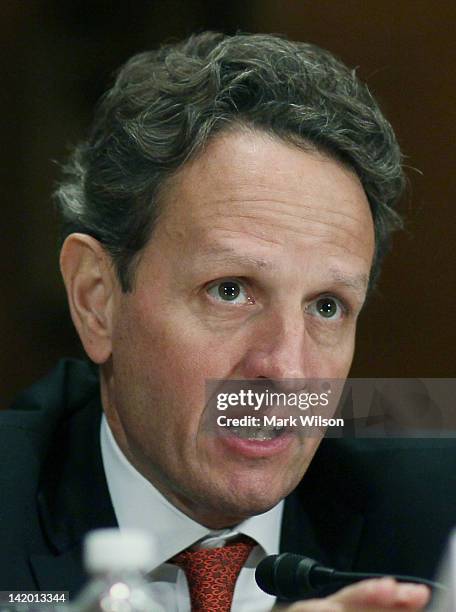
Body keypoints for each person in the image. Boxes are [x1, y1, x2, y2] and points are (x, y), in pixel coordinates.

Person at [2, 31, 453, 611]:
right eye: (231, 291)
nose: (287, 372)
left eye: (326, 306)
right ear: (97, 299)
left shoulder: (439, 516)